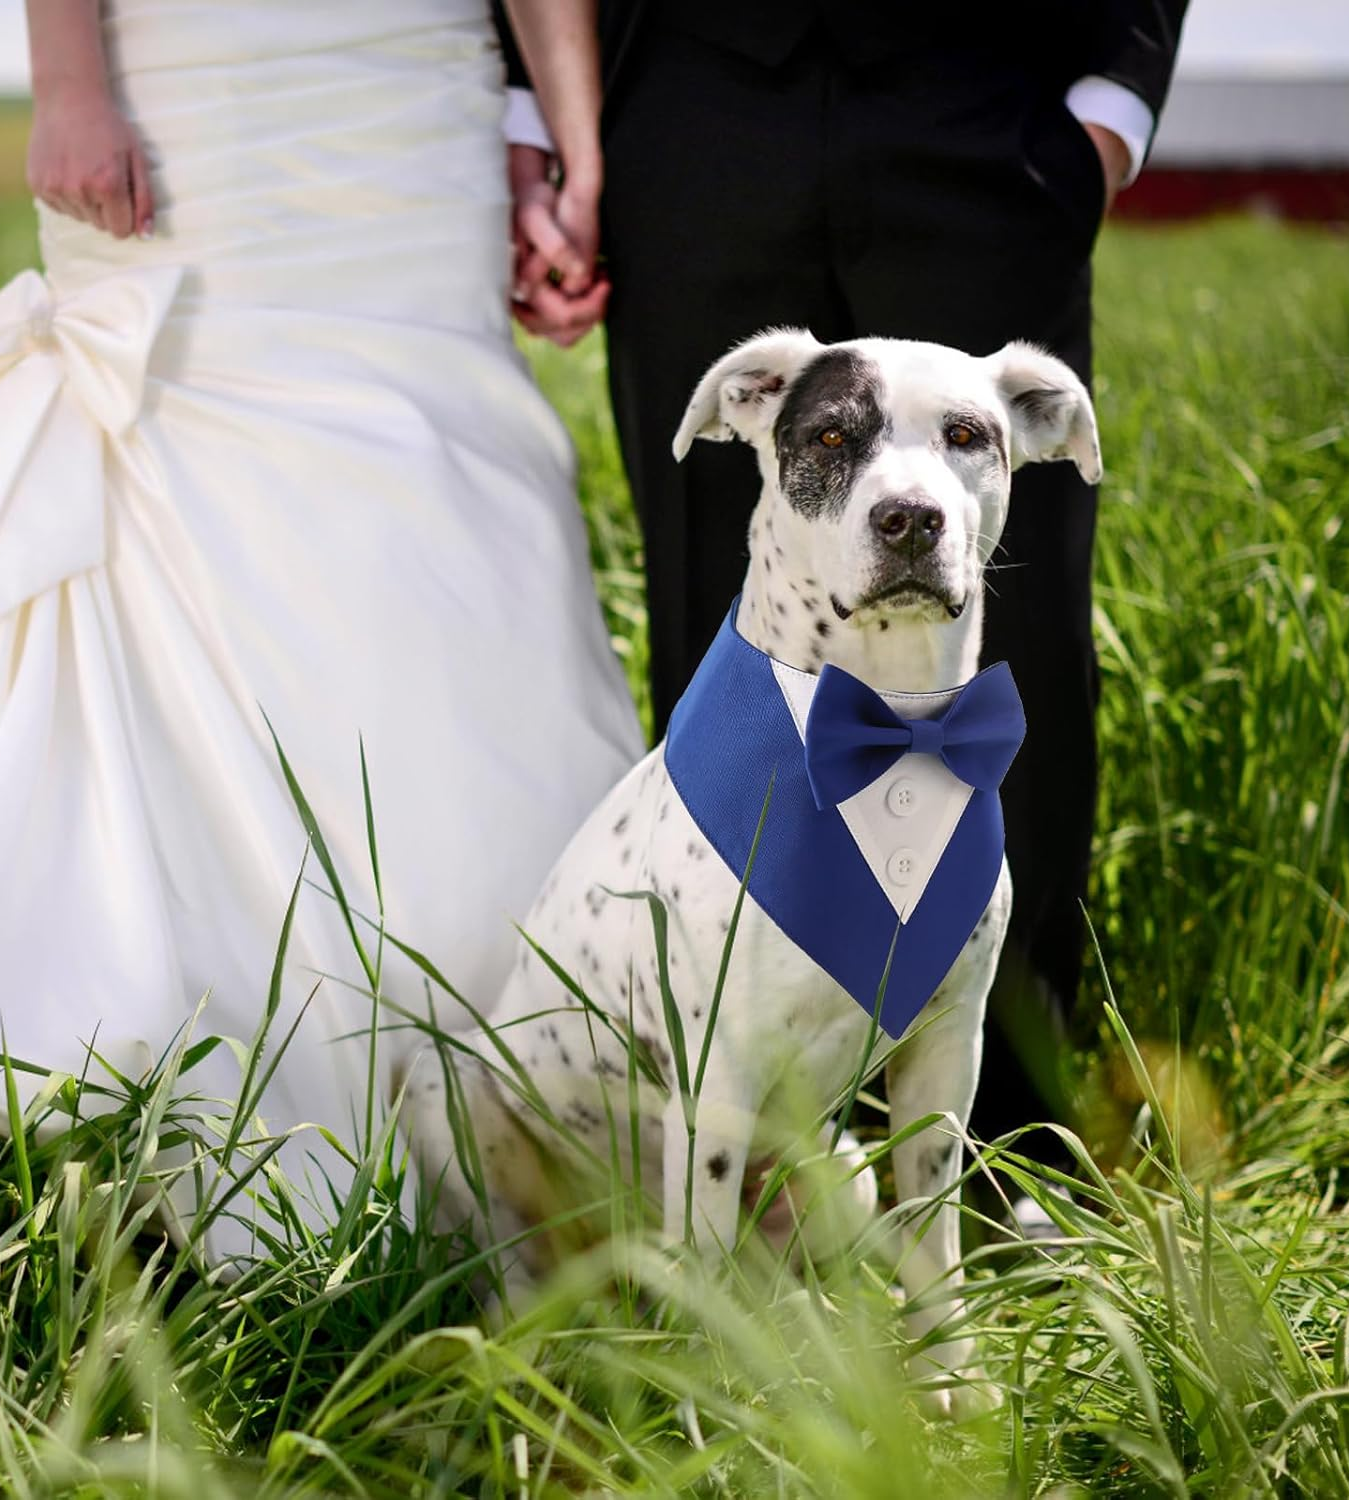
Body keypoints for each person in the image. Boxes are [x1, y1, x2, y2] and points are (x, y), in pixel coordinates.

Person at [0, 0, 640, 1257]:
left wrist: (568, 133)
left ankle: (527, 1099)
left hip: (413, 110)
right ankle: (175, 1054)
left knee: (438, 534)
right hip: (201, 90)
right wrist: (66, 83)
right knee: (192, 512)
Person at [501, 4, 1188, 1147]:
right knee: (716, 633)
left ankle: (1014, 1154)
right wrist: (543, 114)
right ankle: (766, 1163)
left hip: (983, 116)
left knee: (1024, 661)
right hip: (690, 114)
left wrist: (1112, 105)